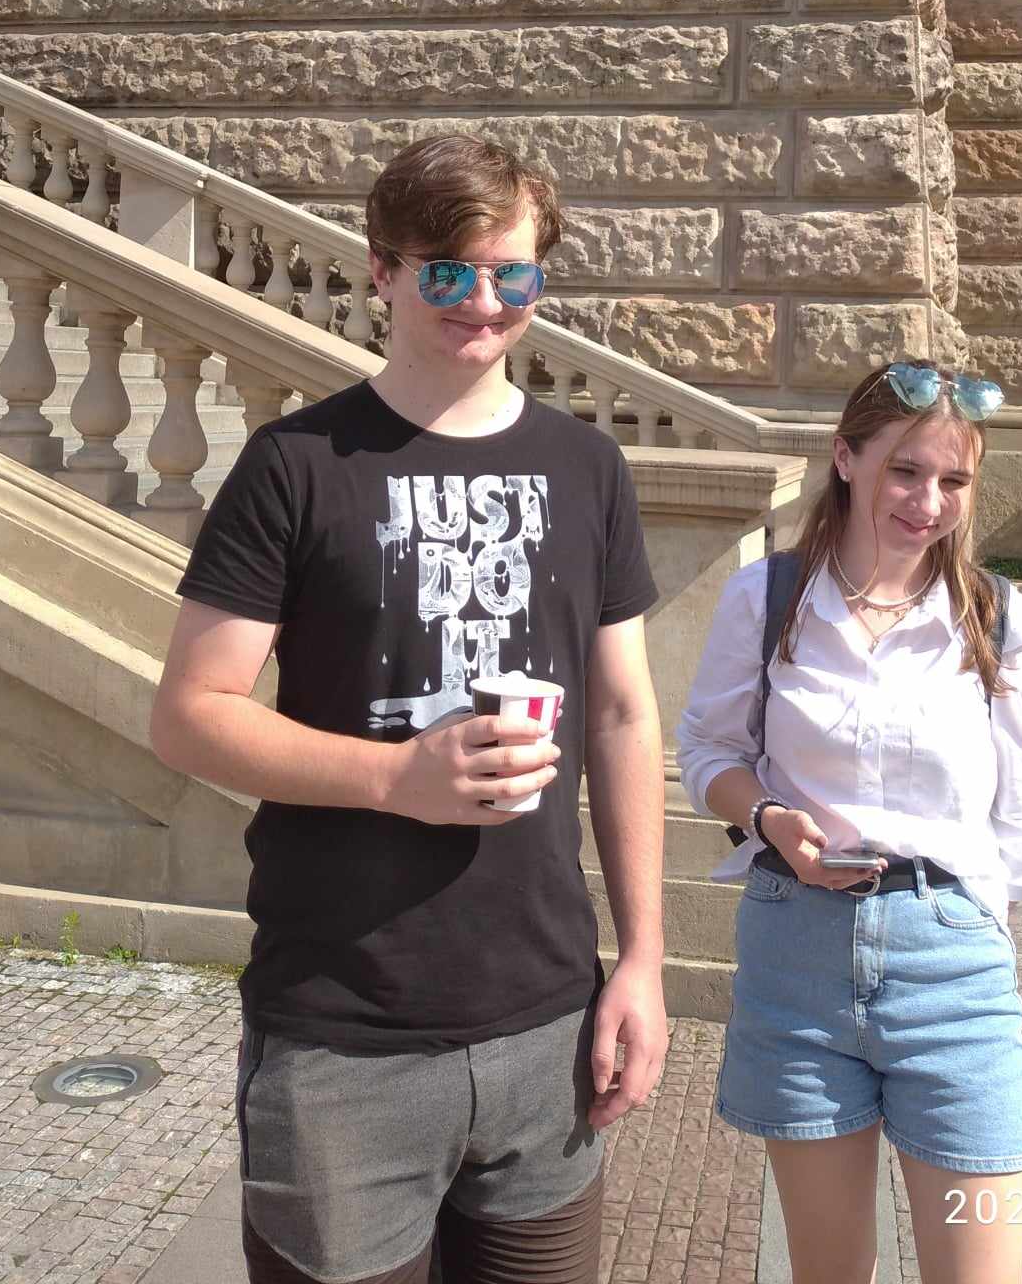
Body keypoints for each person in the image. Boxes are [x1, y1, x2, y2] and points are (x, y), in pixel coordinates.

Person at [149, 132, 669, 1284]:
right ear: (381, 271)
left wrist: (641, 959)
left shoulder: (586, 467)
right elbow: (190, 713)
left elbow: (623, 718)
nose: (480, 302)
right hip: (343, 1036)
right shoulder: (296, 464)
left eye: (510, 273)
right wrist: (395, 777)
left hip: (546, 1020)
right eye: (446, 271)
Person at [677, 360, 1022, 1284]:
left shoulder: (1000, 621)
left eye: (954, 480)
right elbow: (709, 753)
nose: (929, 503)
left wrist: (968, 919)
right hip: (795, 954)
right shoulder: (767, 600)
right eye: (905, 471)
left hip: (953, 968)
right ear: (845, 459)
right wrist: (767, 816)